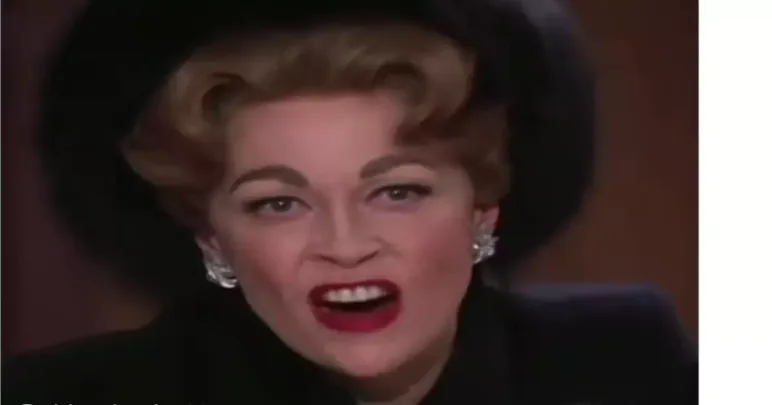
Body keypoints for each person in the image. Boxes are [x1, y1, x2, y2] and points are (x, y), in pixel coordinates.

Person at [2, 0, 696, 404]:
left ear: (483, 209)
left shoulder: (624, 364)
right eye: (279, 203)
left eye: (397, 192)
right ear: (213, 240)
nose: (345, 244)